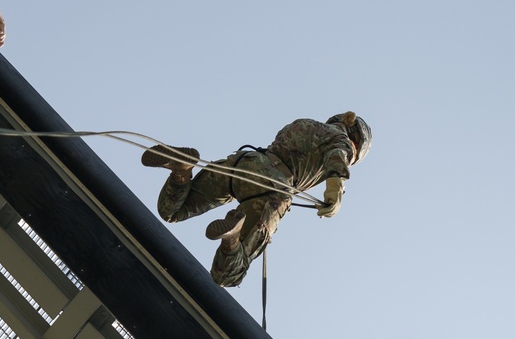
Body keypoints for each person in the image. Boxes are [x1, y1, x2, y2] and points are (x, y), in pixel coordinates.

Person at [140, 112, 371, 287]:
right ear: (357, 144)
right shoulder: (343, 143)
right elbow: (338, 161)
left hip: (244, 164)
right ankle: (232, 238)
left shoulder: (306, 123)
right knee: (226, 276)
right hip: (272, 190)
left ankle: (181, 171)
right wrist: (334, 196)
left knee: (171, 212)